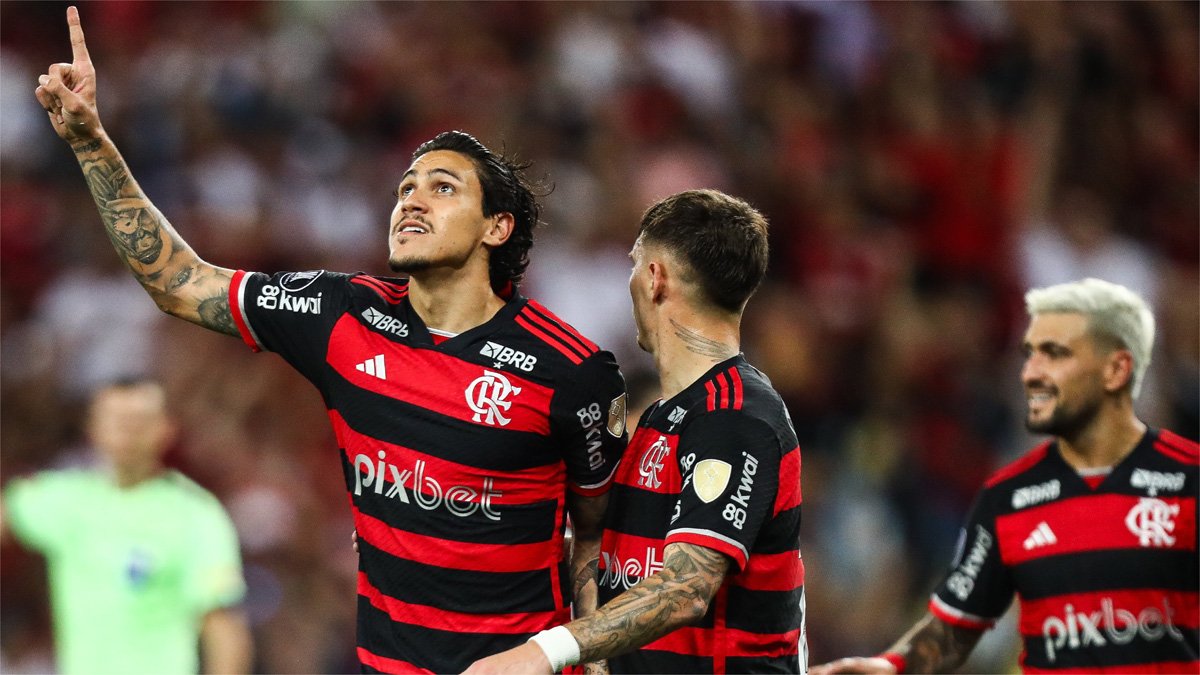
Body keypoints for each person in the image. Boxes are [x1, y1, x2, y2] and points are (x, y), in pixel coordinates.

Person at [34, 7, 628, 673]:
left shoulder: (570, 369)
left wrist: (587, 658)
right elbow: (179, 281)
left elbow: (600, 534)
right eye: (406, 187)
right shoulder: (340, 312)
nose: (411, 200)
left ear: (496, 227)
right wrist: (91, 143)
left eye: (441, 186)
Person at [465, 189, 807, 674]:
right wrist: (448, 528)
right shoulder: (661, 417)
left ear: (654, 278)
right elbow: (618, 560)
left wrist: (545, 650)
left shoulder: (734, 418)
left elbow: (686, 588)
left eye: (633, 263)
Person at [810, 278, 1198, 674]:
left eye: (1056, 355)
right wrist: (890, 668)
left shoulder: (1189, 481)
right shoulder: (1010, 497)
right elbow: (953, 631)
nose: (1032, 373)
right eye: (1030, 355)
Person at [0, 379, 252, 675]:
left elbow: (223, 627)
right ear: (92, 428)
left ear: (167, 429)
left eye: (139, 420)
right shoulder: (66, 501)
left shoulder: (195, 515)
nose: (127, 431)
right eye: (116, 420)